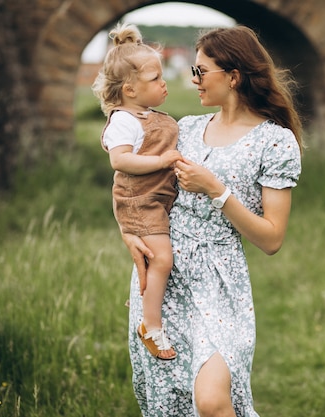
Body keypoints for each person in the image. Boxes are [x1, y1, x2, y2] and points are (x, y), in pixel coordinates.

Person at [122, 25, 304, 416]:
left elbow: (272, 239)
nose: (194, 80)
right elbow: (133, 185)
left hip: (220, 281)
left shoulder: (275, 142)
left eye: (202, 71)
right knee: (170, 403)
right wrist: (128, 232)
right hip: (165, 278)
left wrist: (217, 191)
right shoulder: (183, 129)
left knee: (211, 401)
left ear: (233, 76)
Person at [92, 22, 182, 360]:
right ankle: (150, 325)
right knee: (162, 258)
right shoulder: (123, 121)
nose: (164, 84)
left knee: (155, 258)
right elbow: (120, 160)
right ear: (129, 89)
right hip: (138, 202)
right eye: (155, 79)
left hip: (156, 199)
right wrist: (161, 161)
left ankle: (146, 297)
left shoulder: (148, 114)